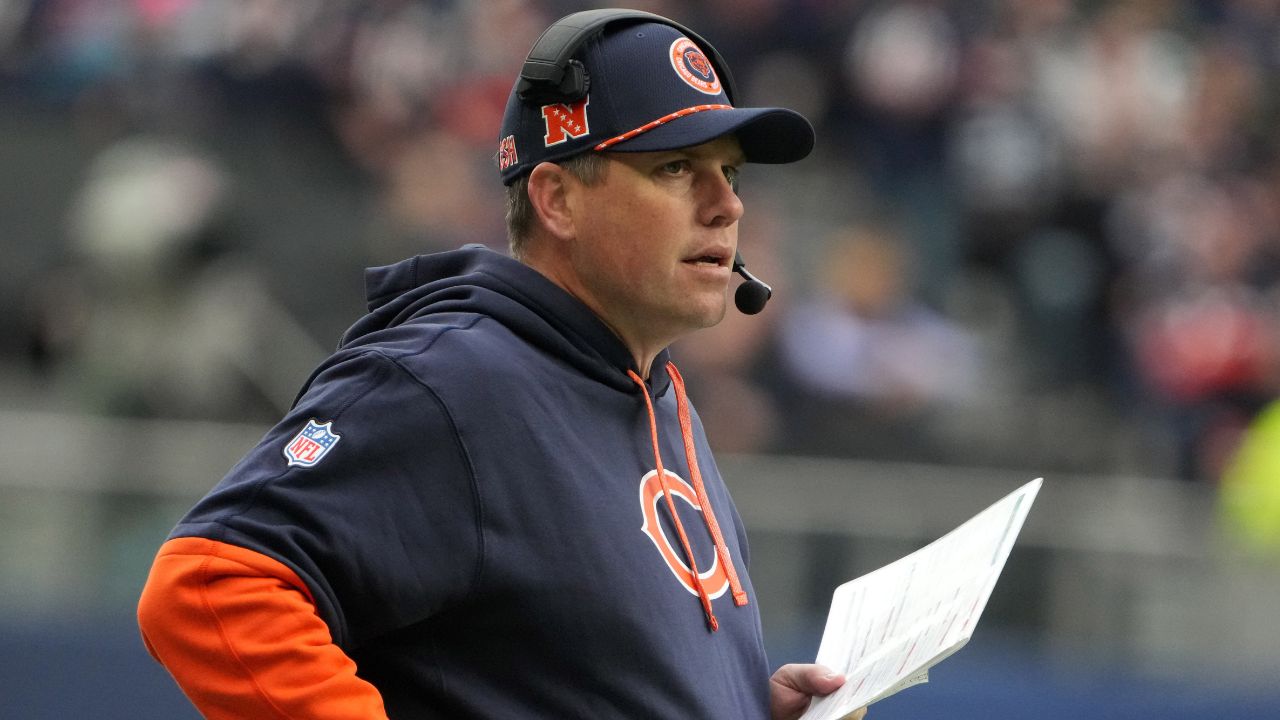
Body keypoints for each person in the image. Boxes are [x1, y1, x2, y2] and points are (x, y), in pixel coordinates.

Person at [137, 9, 865, 720]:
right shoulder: (455, 378)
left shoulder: (655, 391)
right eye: (675, 168)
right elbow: (209, 586)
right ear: (557, 200)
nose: (726, 206)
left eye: (730, 172)